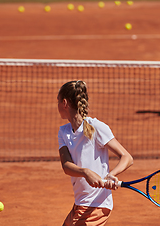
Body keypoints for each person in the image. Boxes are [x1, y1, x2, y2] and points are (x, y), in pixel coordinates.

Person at [57, 80, 133, 226]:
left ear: (64, 103)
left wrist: (112, 174)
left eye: (58, 101)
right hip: (81, 203)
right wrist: (86, 172)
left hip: (96, 204)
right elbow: (66, 166)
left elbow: (127, 157)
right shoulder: (63, 132)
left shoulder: (96, 127)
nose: (57, 105)